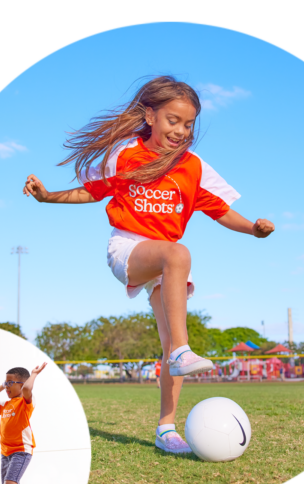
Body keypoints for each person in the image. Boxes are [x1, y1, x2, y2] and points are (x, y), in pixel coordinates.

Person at [23, 76, 275, 454]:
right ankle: (181, 351)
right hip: (130, 247)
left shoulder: (192, 166)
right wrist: (47, 198)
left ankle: (166, 427)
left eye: (188, 124)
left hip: (166, 264)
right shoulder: (125, 154)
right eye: (173, 120)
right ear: (150, 116)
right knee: (179, 254)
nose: (181, 130)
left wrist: (253, 229)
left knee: (171, 336)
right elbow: (92, 191)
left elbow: (220, 211)